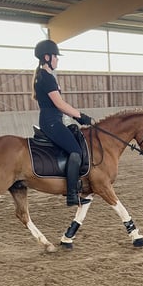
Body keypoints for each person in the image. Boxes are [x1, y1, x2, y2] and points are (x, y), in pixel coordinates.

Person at [32, 39, 94, 206]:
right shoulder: (47, 78)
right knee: (75, 150)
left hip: (51, 120)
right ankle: (72, 194)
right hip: (52, 122)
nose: (57, 59)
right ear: (47, 57)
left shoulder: (43, 76)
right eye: (56, 57)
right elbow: (60, 104)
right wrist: (80, 116)